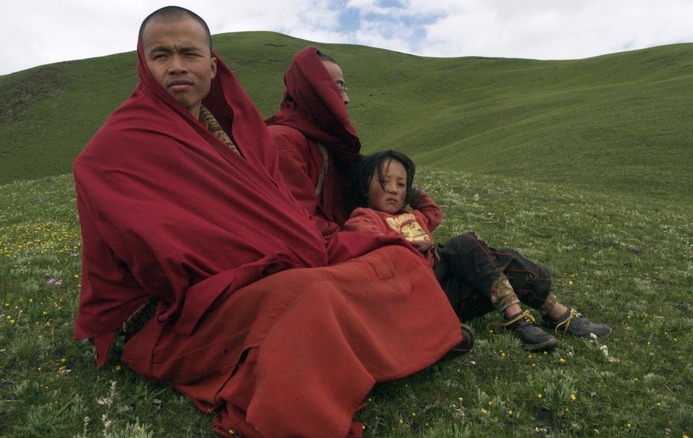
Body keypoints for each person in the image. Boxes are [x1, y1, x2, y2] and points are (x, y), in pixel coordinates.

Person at [72, 7, 466, 437]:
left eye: (189, 53)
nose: (177, 66)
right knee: (310, 293)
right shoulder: (114, 151)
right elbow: (160, 260)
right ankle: (379, 349)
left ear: (212, 65)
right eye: (161, 55)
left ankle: (410, 339)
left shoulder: (235, 134)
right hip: (179, 311)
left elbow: (283, 215)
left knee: (395, 256)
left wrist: (305, 245)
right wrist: (270, 256)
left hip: (259, 271)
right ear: (144, 66)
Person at [345, 150, 614, 351]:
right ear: (364, 186)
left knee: (499, 261)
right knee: (462, 245)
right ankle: (523, 318)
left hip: (444, 287)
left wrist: (411, 195)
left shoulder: (412, 216)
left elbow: (433, 212)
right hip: (421, 294)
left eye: (400, 184)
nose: (393, 190)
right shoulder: (365, 217)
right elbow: (369, 244)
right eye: (383, 182)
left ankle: (553, 314)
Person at [265, 47, 359, 231]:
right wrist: (364, 237)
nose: (346, 99)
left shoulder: (326, 143)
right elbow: (297, 222)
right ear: (312, 90)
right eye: (338, 87)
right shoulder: (281, 140)